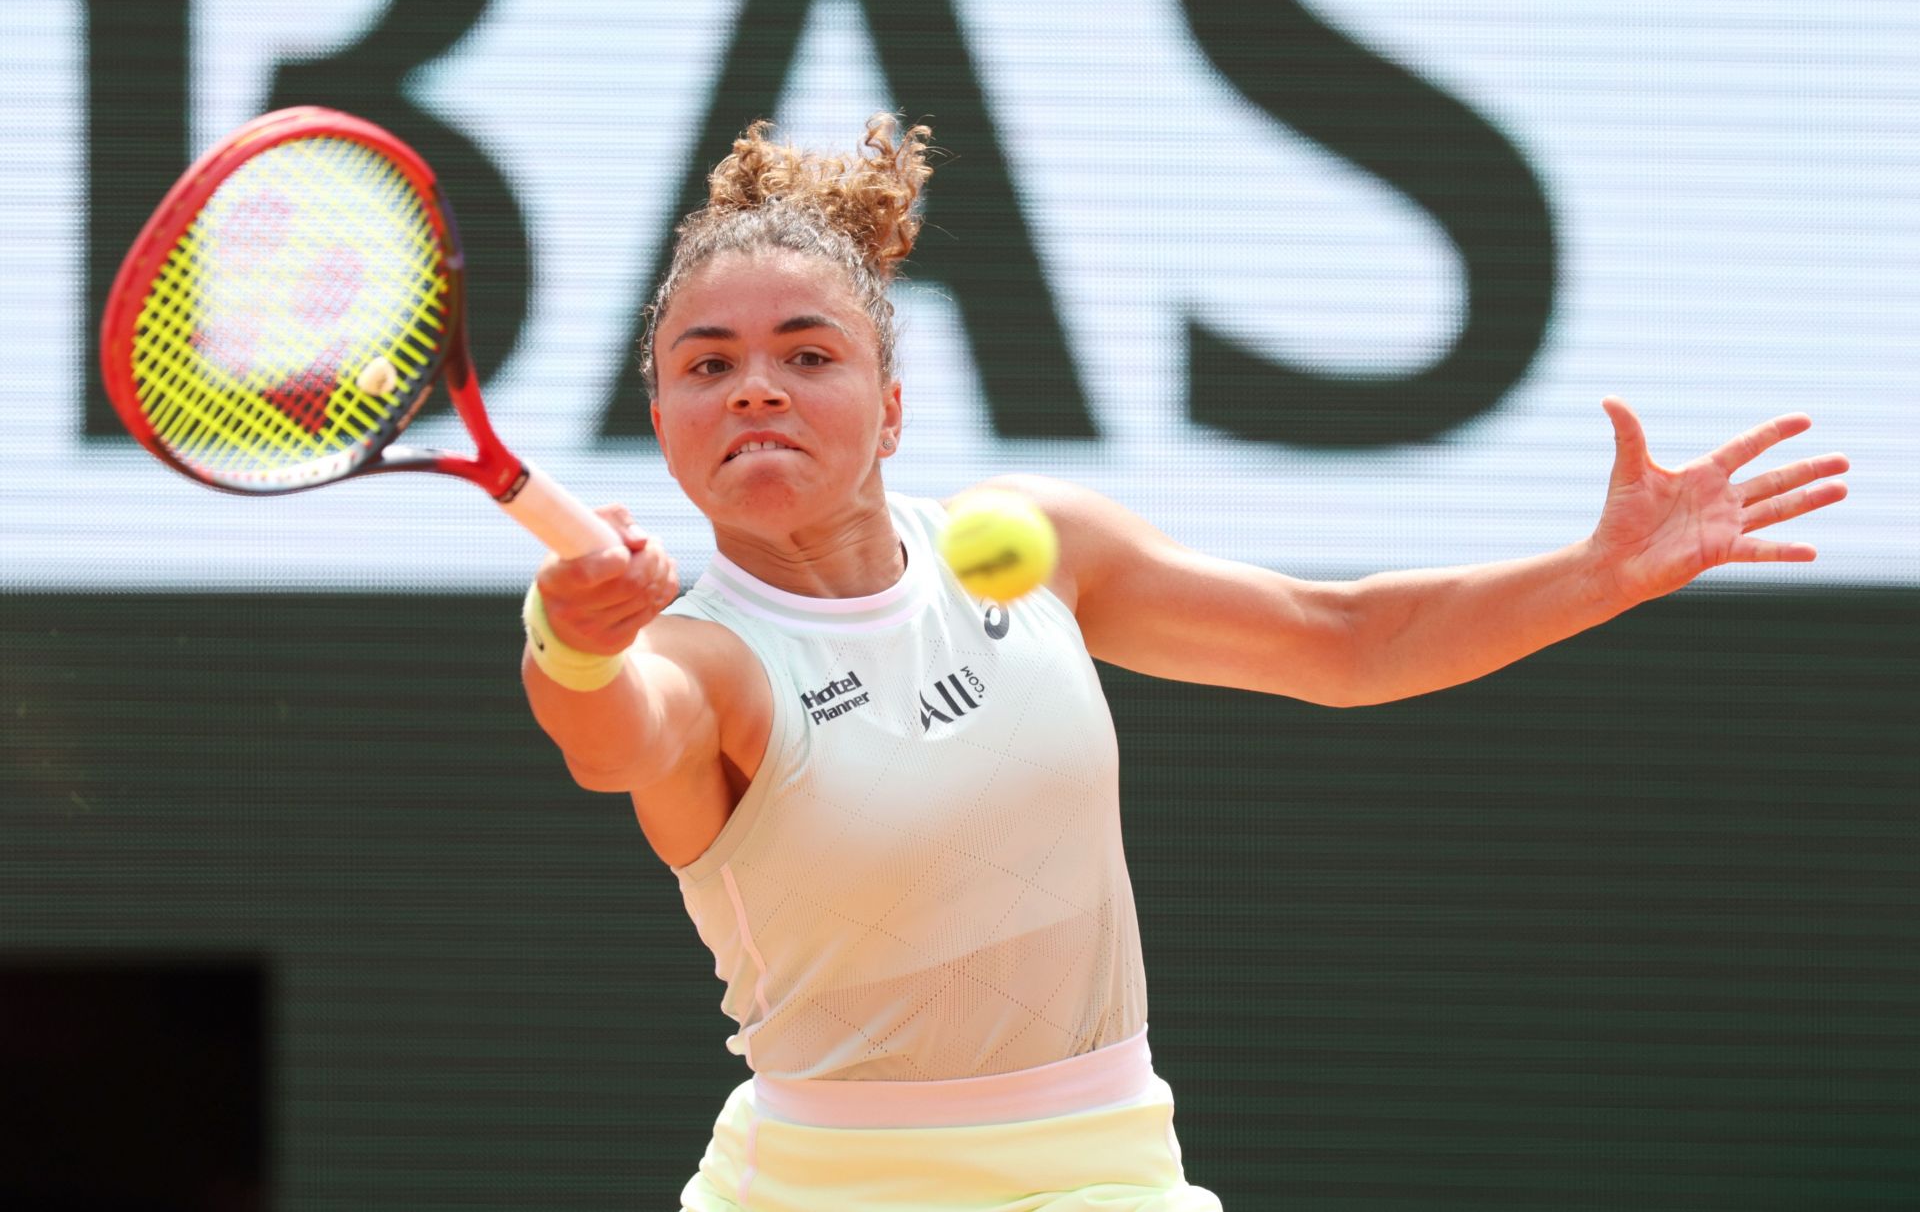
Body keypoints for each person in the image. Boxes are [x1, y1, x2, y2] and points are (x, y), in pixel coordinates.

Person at [519, 115, 1850, 1211]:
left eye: (808, 355)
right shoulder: (707, 660)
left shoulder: (1035, 548)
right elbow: (616, 734)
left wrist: (1596, 573)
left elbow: (1341, 641)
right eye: (711, 365)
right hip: (812, 1189)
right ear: (665, 421)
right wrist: (573, 644)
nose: (756, 386)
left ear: (892, 409)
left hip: (1101, 1170)